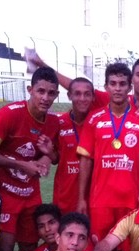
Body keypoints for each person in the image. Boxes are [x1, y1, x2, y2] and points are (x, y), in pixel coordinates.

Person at [0, 66, 61, 251]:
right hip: (4, 192)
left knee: (29, 246)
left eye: (51, 93)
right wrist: (21, 164)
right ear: (30, 89)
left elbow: (54, 156)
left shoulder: (53, 122)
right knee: (5, 248)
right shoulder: (10, 114)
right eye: (40, 91)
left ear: (56, 95)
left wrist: (46, 160)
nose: (45, 98)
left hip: (30, 195)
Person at [76, 62, 139, 251]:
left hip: (130, 197)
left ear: (129, 87)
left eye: (122, 84)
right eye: (113, 84)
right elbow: (86, 160)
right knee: (98, 247)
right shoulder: (94, 119)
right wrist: (82, 198)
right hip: (100, 198)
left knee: (130, 248)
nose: (118, 88)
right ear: (106, 87)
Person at [53, 77, 96, 214]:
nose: (82, 98)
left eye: (87, 94)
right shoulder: (58, 123)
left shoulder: (99, 123)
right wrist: (48, 152)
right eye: (77, 93)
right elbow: (55, 158)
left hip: (94, 197)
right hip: (65, 196)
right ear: (69, 95)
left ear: (93, 97)